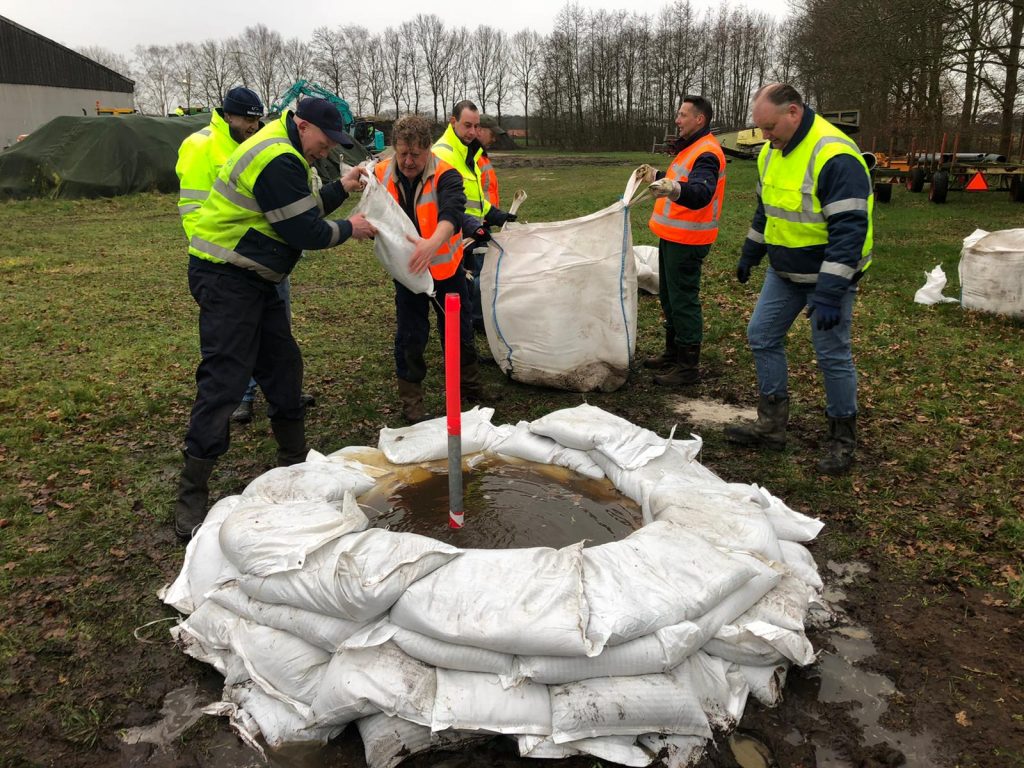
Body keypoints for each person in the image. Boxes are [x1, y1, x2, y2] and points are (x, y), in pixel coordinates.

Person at [173, 97, 377, 539]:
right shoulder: (277, 158)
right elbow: (305, 231)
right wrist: (352, 228)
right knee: (225, 379)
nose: (328, 149)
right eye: (326, 141)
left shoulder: (288, 151)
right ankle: (192, 493)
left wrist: (340, 187)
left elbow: (298, 211)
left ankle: (293, 462)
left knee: (283, 365)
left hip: (255, 278)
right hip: (226, 277)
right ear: (304, 127)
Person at [724, 83, 873, 476]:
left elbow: (850, 232)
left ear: (793, 112)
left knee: (831, 355)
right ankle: (771, 425)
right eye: (761, 130)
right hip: (784, 270)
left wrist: (829, 292)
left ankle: (843, 439)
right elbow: (766, 210)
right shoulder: (770, 154)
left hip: (828, 276)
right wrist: (750, 253)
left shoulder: (835, 156)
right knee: (761, 335)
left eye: (770, 127)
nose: (766, 137)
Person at [376, 114, 481, 424]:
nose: (408, 161)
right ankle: (412, 402)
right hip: (408, 273)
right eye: (402, 153)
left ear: (428, 150)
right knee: (410, 335)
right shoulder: (381, 173)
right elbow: (368, 198)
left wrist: (432, 243)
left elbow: (453, 212)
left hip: (447, 269)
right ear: (395, 148)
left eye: (416, 155)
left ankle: (470, 387)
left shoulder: (447, 174)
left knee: (459, 330)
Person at [637, 95, 726, 387]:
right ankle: (673, 353)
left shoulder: (707, 153)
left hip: (689, 239)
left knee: (683, 299)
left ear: (699, 119)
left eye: (683, 115)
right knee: (668, 296)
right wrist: (658, 176)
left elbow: (700, 192)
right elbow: (682, 179)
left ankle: (688, 366)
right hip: (673, 236)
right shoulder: (691, 148)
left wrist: (672, 187)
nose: (677, 120)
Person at [433, 101, 516, 333]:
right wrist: (470, 225)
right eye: (467, 125)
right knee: (456, 298)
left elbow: (475, 198)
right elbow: (442, 204)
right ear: (453, 122)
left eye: (476, 126)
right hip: (453, 238)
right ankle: (460, 350)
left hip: (468, 237)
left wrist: (497, 215)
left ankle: (468, 337)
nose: (472, 132)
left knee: (468, 291)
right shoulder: (443, 154)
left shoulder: (469, 153)